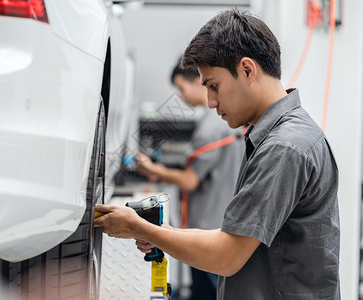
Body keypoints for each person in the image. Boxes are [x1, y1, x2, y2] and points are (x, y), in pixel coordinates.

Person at [95, 9, 340, 299]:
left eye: (214, 86)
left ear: (247, 70)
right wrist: (163, 231)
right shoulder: (280, 136)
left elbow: (226, 256)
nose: (210, 102)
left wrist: (144, 230)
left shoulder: (283, 147)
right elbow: (232, 238)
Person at [135, 61, 243, 300]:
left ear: (198, 81)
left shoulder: (211, 128)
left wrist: (153, 169)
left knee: (207, 291)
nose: (181, 97)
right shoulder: (225, 122)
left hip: (207, 228)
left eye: (181, 88)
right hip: (222, 222)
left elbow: (189, 181)